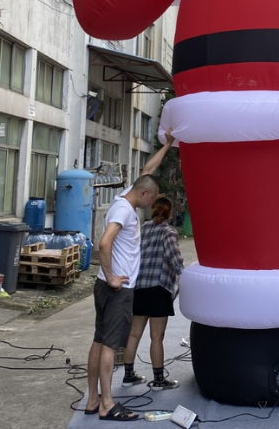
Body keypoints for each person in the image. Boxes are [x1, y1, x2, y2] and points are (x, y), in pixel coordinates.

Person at [84, 129, 175, 422]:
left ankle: (93, 399)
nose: (151, 205)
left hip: (105, 286)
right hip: (117, 288)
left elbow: (148, 171)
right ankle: (108, 404)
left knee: (99, 341)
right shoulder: (123, 211)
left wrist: (169, 144)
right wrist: (112, 276)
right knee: (111, 344)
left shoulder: (125, 196)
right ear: (144, 194)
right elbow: (104, 243)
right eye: (151, 199)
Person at [121, 195, 185, 389]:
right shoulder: (168, 231)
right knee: (157, 337)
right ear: (169, 212)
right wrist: (187, 276)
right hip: (159, 288)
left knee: (134, 334)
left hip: (140, 287)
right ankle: (158, 380)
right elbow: (175, 259)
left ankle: (129, 376)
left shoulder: (144, 229)